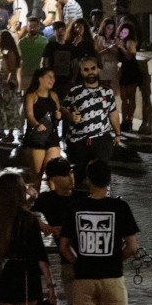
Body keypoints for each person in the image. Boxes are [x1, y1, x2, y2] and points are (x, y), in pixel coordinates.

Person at [60, 159, 139, 305]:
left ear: (88, 180)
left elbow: (64, 247)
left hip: (84, 279)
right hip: (112, 278)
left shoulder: (74, 208)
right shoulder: (121, 207)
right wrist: (115, 260)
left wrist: (80, 262)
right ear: (109, 180)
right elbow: (132, 246)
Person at [0, 171, 56, 305]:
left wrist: (30, 201)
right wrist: (51, 284)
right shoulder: (29, 219)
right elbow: (40, 255)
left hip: (9, 277)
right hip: (28, 276)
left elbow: (14, 214)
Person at [32, 158, 87, 305]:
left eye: (70, 172)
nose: (71, 177)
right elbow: (24, 216)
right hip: (69, 263)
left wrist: (64, 229)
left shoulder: (84, 197)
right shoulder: (46, 199)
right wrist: (42, 225)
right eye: (65, 174)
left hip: (89, 262)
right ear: (53, 179)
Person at [62, 58, 121, 187]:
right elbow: (63, 110)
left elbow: (113, 113)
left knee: (101, 173)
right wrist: (70, 116)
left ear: (98, 69)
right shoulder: (74, 92)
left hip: (101, 139)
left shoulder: (107, 92)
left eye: (93, 68)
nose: (90, 72)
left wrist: (118, 133)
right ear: (82, 72)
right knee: (79, 173)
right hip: (79, 141)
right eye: (86, 69)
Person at [23, 67, 62, 189]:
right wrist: (36, 125)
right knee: (36, 177)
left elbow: (58, 113)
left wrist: (59, 115)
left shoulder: (54, 96)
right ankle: (34, 203)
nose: (53, 80)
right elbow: (29, 116)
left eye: (54, 77)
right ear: (40, 79)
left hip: (52, 136)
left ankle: (53, 202)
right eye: (49, 77)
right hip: (36, 138)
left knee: (54, 175)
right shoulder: (31, 95)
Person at [0, 30, 23, 143]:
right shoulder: (2, 52)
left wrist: (9, 82)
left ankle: (10, 133)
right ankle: (1, 131)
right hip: (0, 83)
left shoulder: (10, 52)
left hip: (7, 83)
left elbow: (12, 69)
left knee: (9, 108)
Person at [42, 21, 75, 101]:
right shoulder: (50, 46)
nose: (60, 32)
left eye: (63, 29)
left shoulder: (70, 47)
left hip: (66, 82)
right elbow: (44, 63)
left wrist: (72, 80)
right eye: (57, 29)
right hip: (53, 82)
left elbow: (76, 64)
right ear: (54, 32)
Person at [17, 17, 47, 93]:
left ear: (39, 26)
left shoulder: (45, 42)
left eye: (35, 26)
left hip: (39, 76)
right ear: (27, 27)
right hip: (25, 76)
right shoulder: (21, 43)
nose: (33, 28)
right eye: (31, 26)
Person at [95, 18, 119, 98]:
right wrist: (107, 50)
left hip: (112, 66)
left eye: (112, 29)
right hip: (102, 66)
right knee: (102, 90)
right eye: (108, 28)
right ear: (104, 27)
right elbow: (96, 53)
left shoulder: (114, 39)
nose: (110, 31)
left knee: (111, 91)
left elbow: (117, 53)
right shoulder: (97, 38)